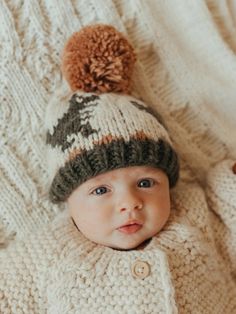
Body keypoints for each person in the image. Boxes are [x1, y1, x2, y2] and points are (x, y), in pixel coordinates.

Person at [0, 24, 236, 313]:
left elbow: (229, 218)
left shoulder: (191, 213)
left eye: (146, 183)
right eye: (100, 190)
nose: (130, 204)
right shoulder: (48, 253)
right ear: (69, 199)